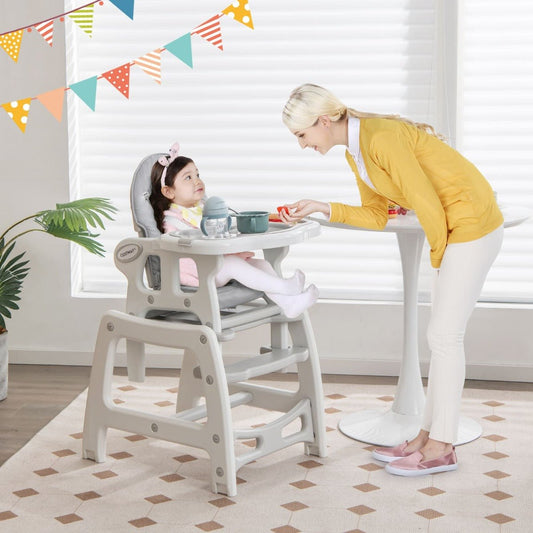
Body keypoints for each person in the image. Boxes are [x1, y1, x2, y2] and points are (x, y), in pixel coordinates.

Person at [281, 83, 504, 476]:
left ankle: (443, 447)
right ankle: (425, 436)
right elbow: (375, 214)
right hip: (453, 229)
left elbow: (427, 202)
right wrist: (320, 206)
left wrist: (438, 261)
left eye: (301, 135)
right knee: (442, 337)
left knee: (444, 337)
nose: (301, 145)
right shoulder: (357, 151)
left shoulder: (381, 137)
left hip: (471, 223)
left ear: (323, 121)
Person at [149, 143, 319, 319]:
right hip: (197, 272)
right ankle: (285, 287)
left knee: (263, 264)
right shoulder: (172, 219)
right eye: (188, 178)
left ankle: (289, 304)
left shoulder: (204, 209)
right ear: (168, 191)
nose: (197, 180)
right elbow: (176, 244)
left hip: (215, 264)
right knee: (231, 264)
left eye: (197, 175)